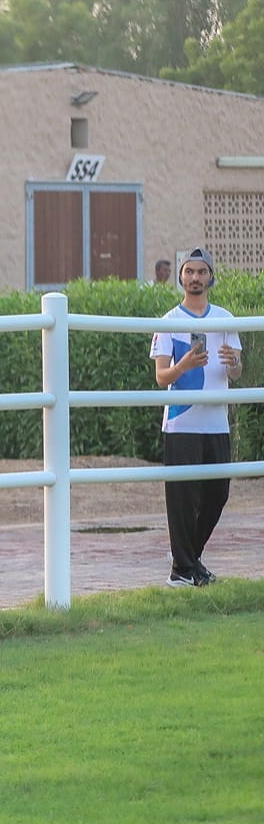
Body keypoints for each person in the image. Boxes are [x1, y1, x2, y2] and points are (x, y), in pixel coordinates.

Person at [151, 247, 244, 587]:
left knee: (217, 494)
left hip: (216, 422)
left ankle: (187, 563)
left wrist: (234, 363)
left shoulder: (225, 317)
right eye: (189, 272)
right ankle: (183, 570)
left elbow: (236, 373)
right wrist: (184, 365)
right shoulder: (168, 322)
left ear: (210, 277)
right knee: (182, 498)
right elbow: (161, 377)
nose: (195, 278)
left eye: (201, 272)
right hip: (181, 423)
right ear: (181, 277)